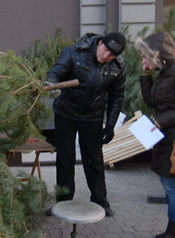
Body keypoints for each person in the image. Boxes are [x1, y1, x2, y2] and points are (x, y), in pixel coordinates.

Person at [45, 32, 126, 217]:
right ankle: (63, 202)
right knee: (65, 158)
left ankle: (100, 201)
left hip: (92, 117)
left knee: (94, 159)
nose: (106, 56)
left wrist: (111, 125)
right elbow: (56, 72)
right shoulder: (74, 52)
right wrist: (53, 84)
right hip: (66, 113)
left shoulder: (118, 67)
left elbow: (117, 96)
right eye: (105, 50)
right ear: (99, 43)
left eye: (111, 55)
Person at [135, 31, 175, 238]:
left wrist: (160, 122)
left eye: (146, 57)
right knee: (170, 183)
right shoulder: (164, 74)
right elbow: (151, 101)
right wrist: (146, 74)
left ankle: (174, 230)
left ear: (157, 55)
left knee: (173, 185)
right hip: (166, 136)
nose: (144, 61)